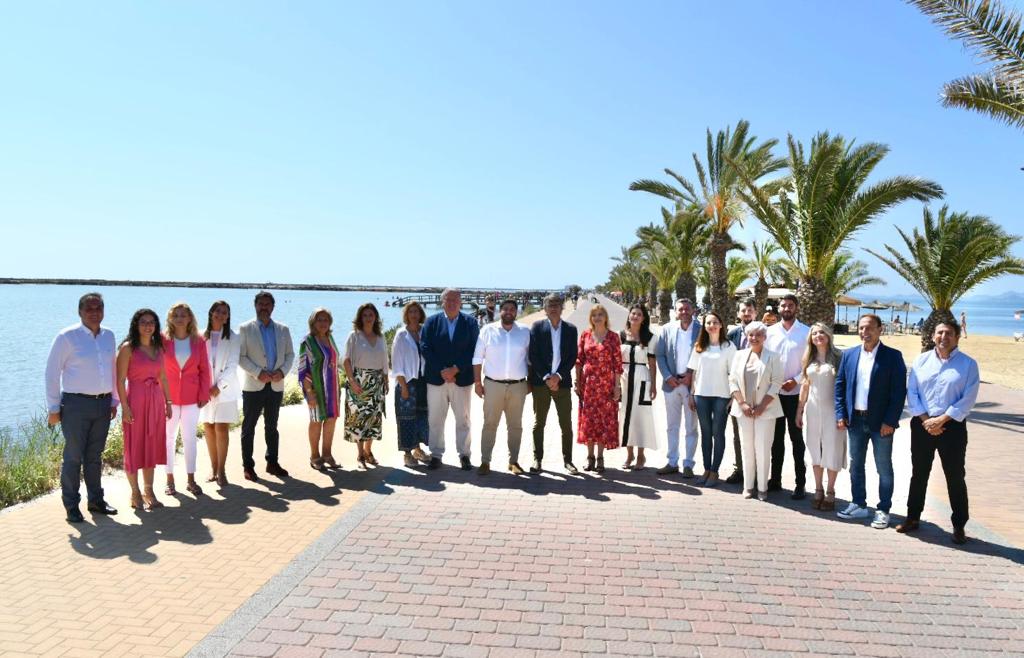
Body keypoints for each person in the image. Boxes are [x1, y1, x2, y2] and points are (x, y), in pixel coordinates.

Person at [898, 320, 980, 544]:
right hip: (922, 425)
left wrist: (942, 420)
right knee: (919, 473)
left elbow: (968, 398)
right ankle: (913, 518)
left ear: (957, 337)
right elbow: (912, 393)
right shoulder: (921, 361)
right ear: (933, 335)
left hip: (952, 426)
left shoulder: (968, 365)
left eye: (949, 333)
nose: (944, 337)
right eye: (940, 332)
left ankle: (959, 525)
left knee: (955, 477)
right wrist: (926, 420)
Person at [45, 292, 120, 522]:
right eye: (89, 308)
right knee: (73, 457)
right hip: (75, 405)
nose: (94, 312)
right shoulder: (66, 337)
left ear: (103, 311)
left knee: (94, 457)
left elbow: (113, 370)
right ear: (80, 312)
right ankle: (71, 505)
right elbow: (51, 373)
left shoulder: (109, 336)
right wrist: (54, 408)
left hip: (103, 404)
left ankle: (96, 501)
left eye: (98, 308)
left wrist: (115, 400)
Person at [835, 314, 907, 529]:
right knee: (856, 465)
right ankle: (859, 504)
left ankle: (883, 509)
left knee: (883, 468)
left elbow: (898, 392)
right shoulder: (848, 355)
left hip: (881, 424)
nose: (864, 332)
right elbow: (840, 386)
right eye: (861, 328)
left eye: (869, 328)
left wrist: (891, 421)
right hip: (855, 421)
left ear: (879, 330)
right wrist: (841, 414)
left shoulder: (893, 356)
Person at [116, 309, 173, 511]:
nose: (148, 325)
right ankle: (135, 492)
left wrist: (168, 402)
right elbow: (120, 380)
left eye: (151, 322)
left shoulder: (159, 348)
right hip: (136, 400)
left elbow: (164, 377)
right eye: (143, 322)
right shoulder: (128, 348)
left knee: (151, 446)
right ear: (136, 324)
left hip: (155, 401)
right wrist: (125, 406)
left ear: (156, 326)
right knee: (133, 446)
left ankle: (149, 491)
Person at [238, 291, 295, 481]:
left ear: (273, 307)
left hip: (276, 385)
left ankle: (272, 462)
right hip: (254, 385)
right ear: (255, 306)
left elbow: (290, 355)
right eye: (261, 304)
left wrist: (282, 372)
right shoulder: (245, 328)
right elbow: (241, 357)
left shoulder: (283, 329)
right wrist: (258, 373)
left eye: (267, 304)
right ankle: (248, 466)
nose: (264, 307)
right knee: (249, 427)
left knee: (272, 426)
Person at [421, 288, 479, 470]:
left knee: (463, 419)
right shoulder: (431, 322)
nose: (452, 302)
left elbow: (474, 349)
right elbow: (425, 347)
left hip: (461, 379)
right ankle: (436, 454)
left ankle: (464, 455)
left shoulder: (470, 322)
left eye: (455, 299)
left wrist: (455, 369)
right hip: (436, 379)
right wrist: (442, 370)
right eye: (448, 299)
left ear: (461, 302)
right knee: (436, 419)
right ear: (442, 302)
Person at [473, 298, 531, 475]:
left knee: (515, 426)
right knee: (490, 424)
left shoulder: (525, 332)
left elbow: (530, 359)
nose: (508, 312)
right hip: (493, 386)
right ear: (500, 311)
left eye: (512, 309)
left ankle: (513, 461)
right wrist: (477, 382)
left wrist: (530, 383)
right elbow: (477, 358)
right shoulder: (487, 330)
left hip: (518, 386)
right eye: (505, 309)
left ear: (516, 311)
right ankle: (485, 461)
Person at [728, 321, 783, 501]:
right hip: (744, 410)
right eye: (751, 334)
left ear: (764, 338)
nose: (754, 338)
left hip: (766, 411)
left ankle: (762, 487)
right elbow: (732, 381)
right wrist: (742, 404)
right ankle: (748, 486)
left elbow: (776, 384)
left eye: (758, 335)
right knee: (747, 448)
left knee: (763, 448)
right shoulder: (739, 355)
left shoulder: (773, 357)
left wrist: (761, 406)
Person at [795, 322, 846, 511]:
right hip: (812, 411)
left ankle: (831, 492)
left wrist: (844, 414)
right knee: (814, 449)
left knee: (832, 449)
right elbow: (805, 386)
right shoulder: (808, 358)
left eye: (822, 332)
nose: (818, 336)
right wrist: (799, 410)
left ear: (828, 335)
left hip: (834, 411)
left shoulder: (840, 357)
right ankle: (818, 489)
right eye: (814, 333)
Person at [162, 302, 211, 497]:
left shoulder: (198, 341)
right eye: (176, 315)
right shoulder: (163, 340)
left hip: (192, 399)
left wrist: (204, 394)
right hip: (169, 399)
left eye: (183, 315)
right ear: (170, 319)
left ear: (190, 318)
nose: (180, 318)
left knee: (190, 439)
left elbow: (205, 370)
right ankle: (169, 480)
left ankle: (191, 480)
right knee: (168, 439)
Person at [765, 294, 811, 499]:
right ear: (779, 308)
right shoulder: (770, 332)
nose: (786, 308)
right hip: (774, 394)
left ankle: (800, 484)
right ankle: (775, 480)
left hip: (796, 395)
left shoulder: (806, 332)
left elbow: (812, 361)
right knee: (776, 441)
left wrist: (797, 379)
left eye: (790, 305)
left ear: (796, 308)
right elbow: (764, 360)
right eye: (783, 305)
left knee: (796, 440)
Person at [528, 294, 579, 474]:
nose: (554, 307)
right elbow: (533, 355)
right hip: (541, 383)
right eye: (550, 304)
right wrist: (547, 378)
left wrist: (558, 376)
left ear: (562, 307)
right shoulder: (536, 327)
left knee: (566, 424)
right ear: (545, 308)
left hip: (562, 383)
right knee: (538, 423)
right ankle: (537, 459)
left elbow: (572, 356)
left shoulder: (571, 329)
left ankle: (568, 461)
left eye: (557, 304)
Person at [687, 310, 737, 487]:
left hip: (722, 396)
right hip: (701, 395)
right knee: (706, 434)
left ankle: (715, 471)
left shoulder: (729, 346)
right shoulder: (699, 346)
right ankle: (706, 469)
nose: (712, 325)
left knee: (718, 433)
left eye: (715, 322)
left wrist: (733, 397)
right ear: (704, 326)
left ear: (721, 325)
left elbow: (734, 373)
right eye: (708, 323)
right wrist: (691, 394)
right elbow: (693, 373)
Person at [653, 298, 701, 477]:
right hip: (671, 384)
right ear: (675, 311)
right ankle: (672, 461)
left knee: (691, 427)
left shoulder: (701, 329)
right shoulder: (666, 329)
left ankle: (688, 464)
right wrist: (667, 377)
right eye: (680, 309)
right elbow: (660, 355)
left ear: (693, 310)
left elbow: (703, 356)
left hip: (690, 386)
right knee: (672, 426)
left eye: (687, 309)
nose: (684, 312)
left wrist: (691, 375)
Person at [575, 305, 623, 473]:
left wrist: (617, 387)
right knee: (588, 421)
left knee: (603, 421)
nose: (597, 317)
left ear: (606, 317)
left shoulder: (613, 337)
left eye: (600, 314)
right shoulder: (585, 335)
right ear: (590, 318)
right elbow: (579, 360)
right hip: (588, 386)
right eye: (594, 315)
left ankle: (601, 457)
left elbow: (618, 364)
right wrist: (577, 382)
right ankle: (590, 457)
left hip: (606, 386)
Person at [342, 303, 390, 468]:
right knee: (359, 419)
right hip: (359, 381)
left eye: (371, 315)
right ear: (360, 318)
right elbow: (346, 360)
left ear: (375, 317)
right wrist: (352, 381)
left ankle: (369, 451)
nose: (368, 318)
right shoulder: (354, 336)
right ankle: (360, 454)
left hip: (376, 382)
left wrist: (386, 379)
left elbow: (385, 360)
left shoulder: (381, 336)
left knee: (373, 418)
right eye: (365, 315)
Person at [200, 300, 240, 488]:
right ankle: (213, 467)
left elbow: (232, 365)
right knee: (208, 427)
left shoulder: (233, 337)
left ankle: (222, 470)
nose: (220, 314)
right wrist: (205, 386)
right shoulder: (200, 336)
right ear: (210, 313)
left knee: (221, 428)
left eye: (224, 312)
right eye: (217, 311)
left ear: (228, 316)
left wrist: (219, 385)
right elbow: (198, 364)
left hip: (225, 390)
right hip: (205, 390)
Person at [299, 308, 342, 471]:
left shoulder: (330, 338)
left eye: (326, 320)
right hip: (316, 388)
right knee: (316, 421)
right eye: (319, 320)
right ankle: (314, 456)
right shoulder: (307, 341)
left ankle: (327, 454)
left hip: (332, 388)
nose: (323, 323)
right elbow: (303, 369)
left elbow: (335, 360)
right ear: (313, 322)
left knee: (331, 420)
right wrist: (309, 393)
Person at [619, 304, 658, 470]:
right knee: (625, 416)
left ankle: (641, 455)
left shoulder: (650, 337)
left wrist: (653, 385)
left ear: (643, 319)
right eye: (633, 313)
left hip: (642, 378)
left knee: (641, 416)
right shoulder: (620, 336)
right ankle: (629, 454)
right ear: (629, 316)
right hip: (624, 378)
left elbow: (652, 363)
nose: (635, 316)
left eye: (639, 314)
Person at [392, 301, 430, 467]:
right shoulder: (401, 335)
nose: (414, 315)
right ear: (406, 315)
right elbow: (397, 362)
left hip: (423, 381)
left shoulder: (425, 332)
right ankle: (407, 454)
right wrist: (403, 386)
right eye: (411, 312)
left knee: (422, 417)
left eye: (416, 311)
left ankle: (418, 449)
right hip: (407, 382)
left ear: (420, 314)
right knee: (406, 418)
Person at [724, 298, 756, 484]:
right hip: (736, 393)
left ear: (755, 312)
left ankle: (757, 471)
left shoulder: (764, 334)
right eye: (743, 310)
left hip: (758, 392)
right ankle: (740, 469)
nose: (746, 313)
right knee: (738, 433)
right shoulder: (732, 335)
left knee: (758, 433)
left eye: (750, 310)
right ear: (738, 314)